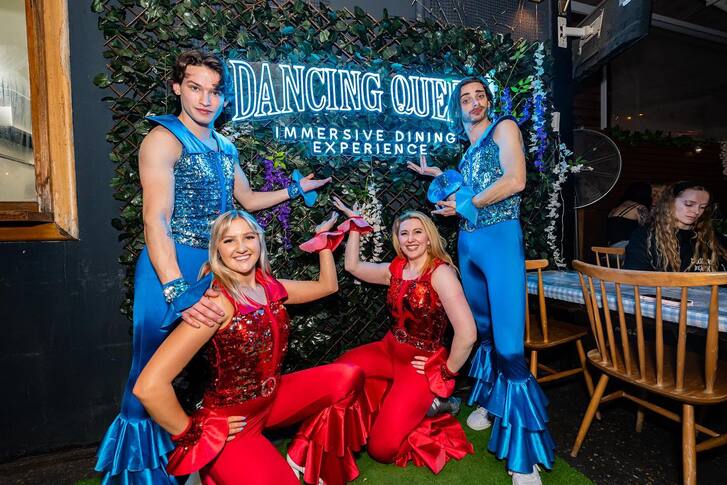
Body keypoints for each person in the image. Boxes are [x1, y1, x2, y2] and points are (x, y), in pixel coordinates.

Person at [95, 50, 332, 484]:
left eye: (214, 90)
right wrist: (174, 291)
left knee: (213, 367)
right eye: (195, 87)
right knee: (146, 374)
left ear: (223, 97)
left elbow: (248, 201)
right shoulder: (163, 139)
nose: (205, 99)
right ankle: (141, 477)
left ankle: (201, 459)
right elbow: (156, 220)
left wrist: (297, 189)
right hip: (171, 265)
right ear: (177, 88)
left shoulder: (225, 146)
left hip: (213, 266)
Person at [133, 210, 367, 485]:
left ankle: (301, 454)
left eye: (248, 237)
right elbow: (148, 387)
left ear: (260, 241)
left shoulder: (268, 287)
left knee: (348, 377)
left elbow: (327, 286)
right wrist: (194, 432)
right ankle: (215, 467)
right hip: (234, 424)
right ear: (217, 249)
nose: (242, 247)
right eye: (229, 240)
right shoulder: (216, 303)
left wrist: (324, 243)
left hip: (273, 399)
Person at [409, 77, 554, 484]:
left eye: (480, 96)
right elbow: (470, 187)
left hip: (499, 239)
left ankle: (525, 457)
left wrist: (467, 202)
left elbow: (515, 181)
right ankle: (493, 402)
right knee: (484, 333)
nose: (474, 102)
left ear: (489, 102)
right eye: (465, 98)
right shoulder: (471, 149)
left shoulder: (503, 128)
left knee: (509, 346)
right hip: (468, 244)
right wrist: (441, 175)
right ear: (458, 108)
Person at [289, 201, 477, 475]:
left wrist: (445, 372)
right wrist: (354, 225)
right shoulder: (395, 270)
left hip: (419, 366)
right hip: (388, 350)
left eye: (417, 232)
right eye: (404, 233)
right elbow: (353, 267)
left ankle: (437, 405)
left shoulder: (441, 273)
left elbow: (468, 333)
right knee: (337, 375)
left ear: (428, 238)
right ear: (397, 238)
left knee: (382, 449)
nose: (410, 239)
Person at [624, 181, 727, 272]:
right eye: (689, 204)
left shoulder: (711, 238)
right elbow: (636, 277)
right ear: (670, 203)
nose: (696, 212)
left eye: (702, 207)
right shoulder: (645, 236)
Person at [606, 182, 652, 246]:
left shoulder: (615, 209)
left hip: (610, 250)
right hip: (626, 249)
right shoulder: (639, 208)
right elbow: (649, 230)